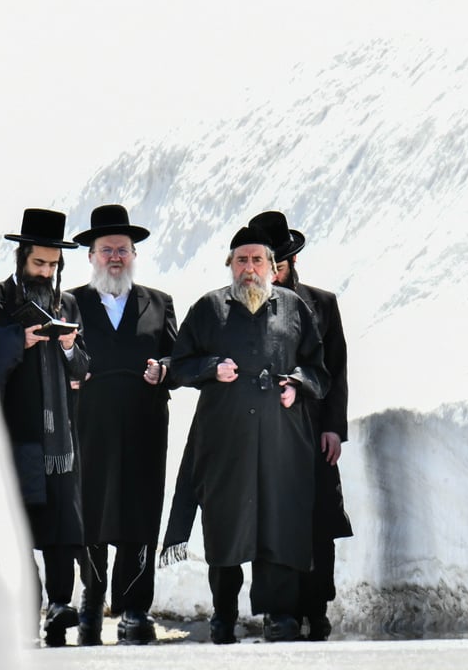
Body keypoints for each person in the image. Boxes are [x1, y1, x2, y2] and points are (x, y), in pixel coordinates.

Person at [167, 225, 329, 644]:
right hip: (225, 441)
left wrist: (297, 384)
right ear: (230, 265)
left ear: (274, 269)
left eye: (258, 260)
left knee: (280, 524)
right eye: (241, 260)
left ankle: (281, 616)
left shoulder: (294, 309)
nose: (249, 268)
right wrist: (211, 369)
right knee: (226, 527)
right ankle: (223, 616)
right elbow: (179, 364)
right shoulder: (208, 308)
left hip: (281, 441)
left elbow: (318, 370)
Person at [0, 208, 89, 648]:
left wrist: (71, 346)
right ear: (21, 258)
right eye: (39, 263)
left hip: (59, 439)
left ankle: (60, 604)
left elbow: (82, 368)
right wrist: (17, 339)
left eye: (54, 265)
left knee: (62, 527)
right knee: (18, 526)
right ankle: (24, 606)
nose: (47, 271)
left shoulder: (68, 304)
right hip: (13, 434)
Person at [67, 204, 179, 646]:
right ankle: (91, 606)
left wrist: (164, 370)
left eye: (123, 250)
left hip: (144, 423)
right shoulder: (69, 302)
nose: (116, 257)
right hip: (88, 423)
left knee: (140, 512)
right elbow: (52, 358)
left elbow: (179, 356)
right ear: (91, 256)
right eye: (107, 249)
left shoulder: (159, 302)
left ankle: (135, 609)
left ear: (134, 255)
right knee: (90, 513)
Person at [249, 210, 353, 641]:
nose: (272, 272)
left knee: (317, 522)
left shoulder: (322, 303)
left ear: (290, 263)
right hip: (266, 437)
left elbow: (338, 370)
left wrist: (334, 428)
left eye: (280, 264)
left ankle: (316, 607)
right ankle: (280, 610)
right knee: (271, 521)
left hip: (312, 432)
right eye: (264, 264)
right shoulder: (243, 307)